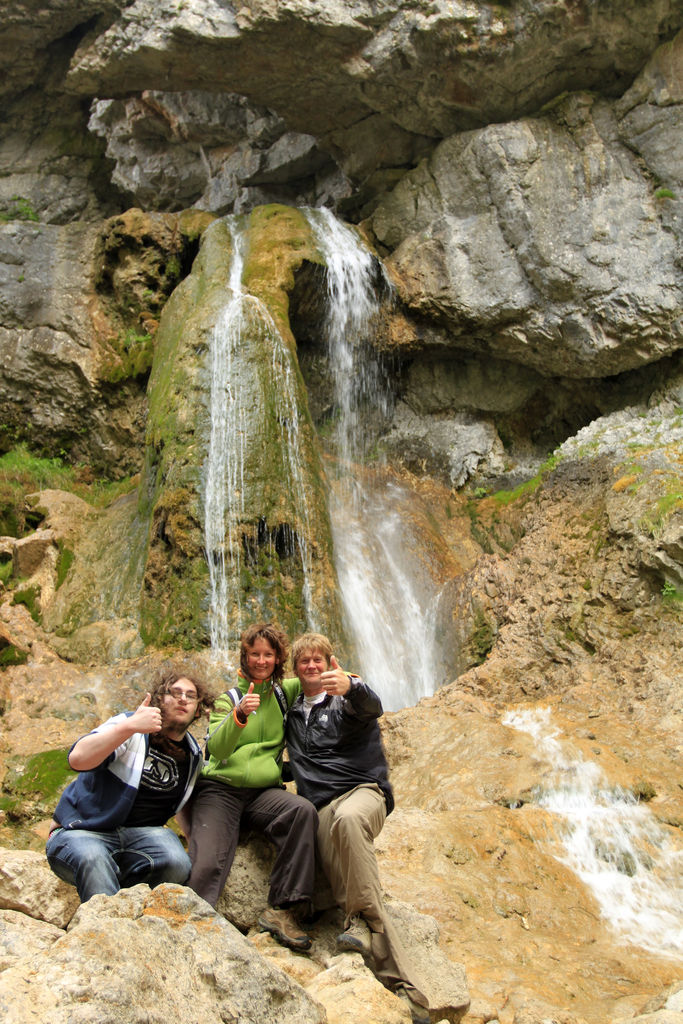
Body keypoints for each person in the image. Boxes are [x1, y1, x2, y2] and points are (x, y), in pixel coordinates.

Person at [286, 632, 430, 1024]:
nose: (312, 666)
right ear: (295, 670)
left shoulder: (348, 699)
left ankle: (363, 923)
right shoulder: (292, 713)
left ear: (332, 662)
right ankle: (406, 991)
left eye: (319, 660)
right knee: (353, 885)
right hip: (322, 807)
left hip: (365, 792)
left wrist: (352, 686)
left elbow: (373, 706)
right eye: (304, 662)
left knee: (349, 820)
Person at [185, 622, 318, 952]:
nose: (261, 661)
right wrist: (239, 715)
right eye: (255, 654)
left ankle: (282, 909)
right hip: (220, 790)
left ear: (277, 659)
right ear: (244, 657)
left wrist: (351, 682)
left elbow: (314, 674)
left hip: (263, 793)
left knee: (301, 811)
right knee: (207, 862)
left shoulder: (284, 693)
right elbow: (216, 749)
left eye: (268, 655)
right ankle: (192, 929)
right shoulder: (227, 700)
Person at [46, 662, 213, 903]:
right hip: (84, 832)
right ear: (158, 701)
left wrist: (193, 840)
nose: (183, 699)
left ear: (198, 710)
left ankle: (128, 904)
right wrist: (128, 727)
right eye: (175, 693)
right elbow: (77, 758)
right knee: (92, 857)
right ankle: (108, 924)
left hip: (138, 839)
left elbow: (183, 803)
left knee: (177, 862)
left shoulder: (193, 754)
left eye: (191, 696)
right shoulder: (129, 726)